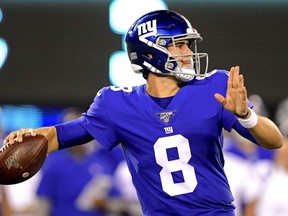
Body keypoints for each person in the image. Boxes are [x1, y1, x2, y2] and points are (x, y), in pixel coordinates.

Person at [3, 10, 283, 216]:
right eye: (179, 44)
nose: (188, 52)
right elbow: (62, 135)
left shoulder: (215, 88)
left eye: (188, 44)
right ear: (150, 52)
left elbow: (274, 141)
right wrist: (27, 137)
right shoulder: (116, 104)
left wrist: (246, 115)